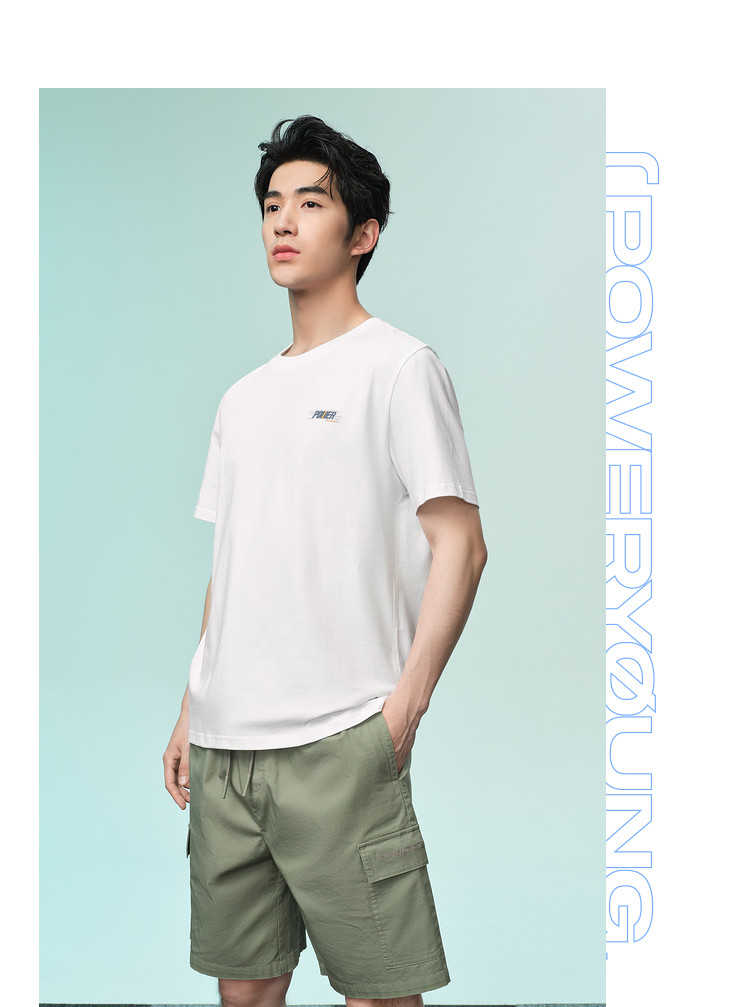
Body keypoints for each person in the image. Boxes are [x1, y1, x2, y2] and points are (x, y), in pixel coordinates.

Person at [162, 114, 488, 1007]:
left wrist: (404, 708)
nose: (283, 220)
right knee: (245, 994)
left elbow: (462, 544)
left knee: (380, 993)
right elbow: (234, 565)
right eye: (273, 204)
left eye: (311, 202)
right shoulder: (241, 398)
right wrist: (191, 708)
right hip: (227, 748)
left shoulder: (399, 367)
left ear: (363, 234)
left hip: (341, 739)